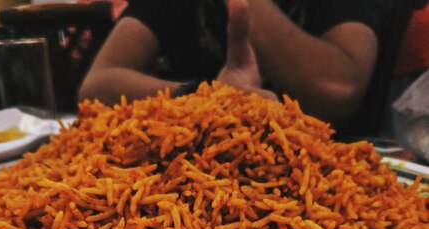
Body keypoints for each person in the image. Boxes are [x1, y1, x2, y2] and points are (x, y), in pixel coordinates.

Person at [79, 0, 385, 129]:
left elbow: (338, 91)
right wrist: (207, 95)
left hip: (330, 178)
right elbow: (95, 88)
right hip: (190, 167)